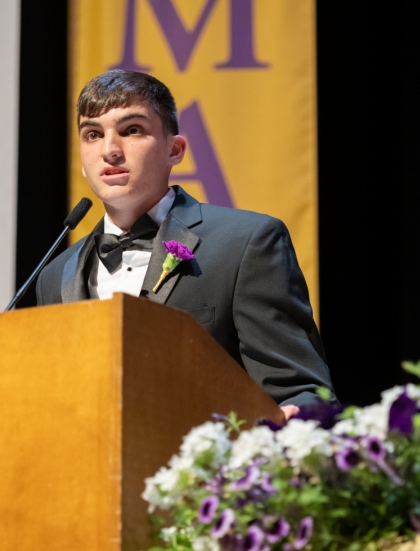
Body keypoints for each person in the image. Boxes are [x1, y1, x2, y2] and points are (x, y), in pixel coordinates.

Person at [36, 70, 333, 414]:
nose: (110, 150)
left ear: (174, 150)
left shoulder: (247, 244)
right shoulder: (53, 277)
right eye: (92, 134)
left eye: (132, 130)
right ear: (83, 164)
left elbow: (302, 394)